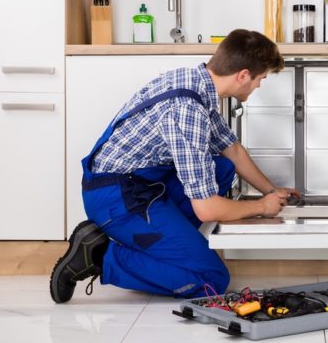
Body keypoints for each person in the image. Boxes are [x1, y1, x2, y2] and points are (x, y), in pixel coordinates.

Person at [50, 29, 298, 303]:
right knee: (212, 280)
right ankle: (98, 256)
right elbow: (206, 209)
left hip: (138, 185)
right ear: (243, 75)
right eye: (260, 79)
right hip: (117, 198)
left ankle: (165, 249)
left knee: (223, 168)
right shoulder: (187, 110)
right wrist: (262, 207)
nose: (258, 86)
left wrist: (272, 191)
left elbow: (233, 151)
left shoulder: (194, 83)